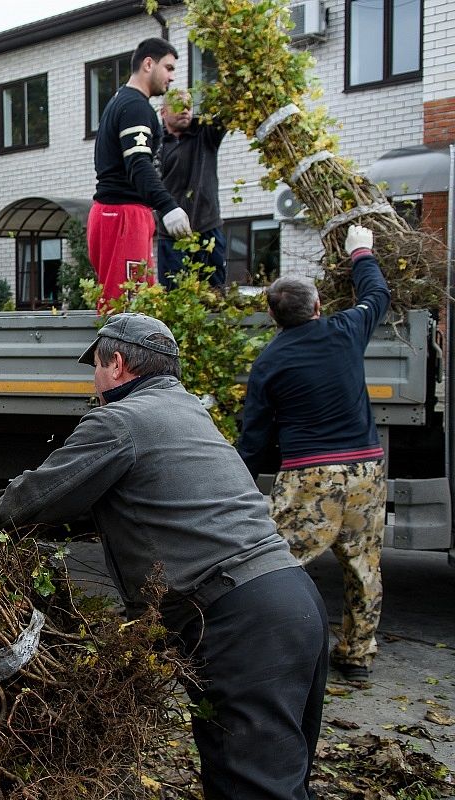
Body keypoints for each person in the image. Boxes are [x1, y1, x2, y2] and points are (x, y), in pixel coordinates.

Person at [0, 312, 328, 800]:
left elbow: (32, 500)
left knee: (251, 787)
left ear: (117, 364)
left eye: (96, 367)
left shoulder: (120, 420)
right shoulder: (188, 413)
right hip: (294, 602)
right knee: (281, 779)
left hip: (241, 623)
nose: (94, 382)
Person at [236, 224, 390, 683]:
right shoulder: (347, 330)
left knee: (276, 564)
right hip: (365, 470)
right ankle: (357, 657)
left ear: (273, 317)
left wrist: (236, 484)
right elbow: (377, 292)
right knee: (363, 564)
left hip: (309, 478)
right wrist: (360, 249)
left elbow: (256, 439)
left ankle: (265, 651)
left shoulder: (268, 363)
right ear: (319, 307)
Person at [89, 38, 192, 306]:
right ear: (148, 64)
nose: (171, 77)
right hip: (123, 214)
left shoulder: (121, 101)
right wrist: (168, 206)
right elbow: (138, 163)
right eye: (168, 68)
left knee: (134, 302)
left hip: (116, 213)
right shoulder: (135, 107)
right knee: (125, 306)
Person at [156, 89, 228, 289]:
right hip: (171, 233)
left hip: (208, 227)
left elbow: (229, 111)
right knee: (174, 293)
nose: (185, 110)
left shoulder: (205, 134)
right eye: (178, 105)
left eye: (189, 105)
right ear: (163, 112)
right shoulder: (156, 144)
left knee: (215, 293)